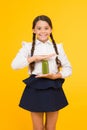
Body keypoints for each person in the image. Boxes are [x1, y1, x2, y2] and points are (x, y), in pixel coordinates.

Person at [11, 15, 72, 130]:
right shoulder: (27, 47)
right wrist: (34, 58)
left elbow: (68, 68)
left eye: (46, 28)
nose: (42, 31)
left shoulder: (58, 47)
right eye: (39, 28)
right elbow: (14, 65)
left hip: (53, 87)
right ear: (34, 30)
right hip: (35, 87)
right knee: (38, 128)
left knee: (51, 128)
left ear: (51, 29)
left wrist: (55, 76)